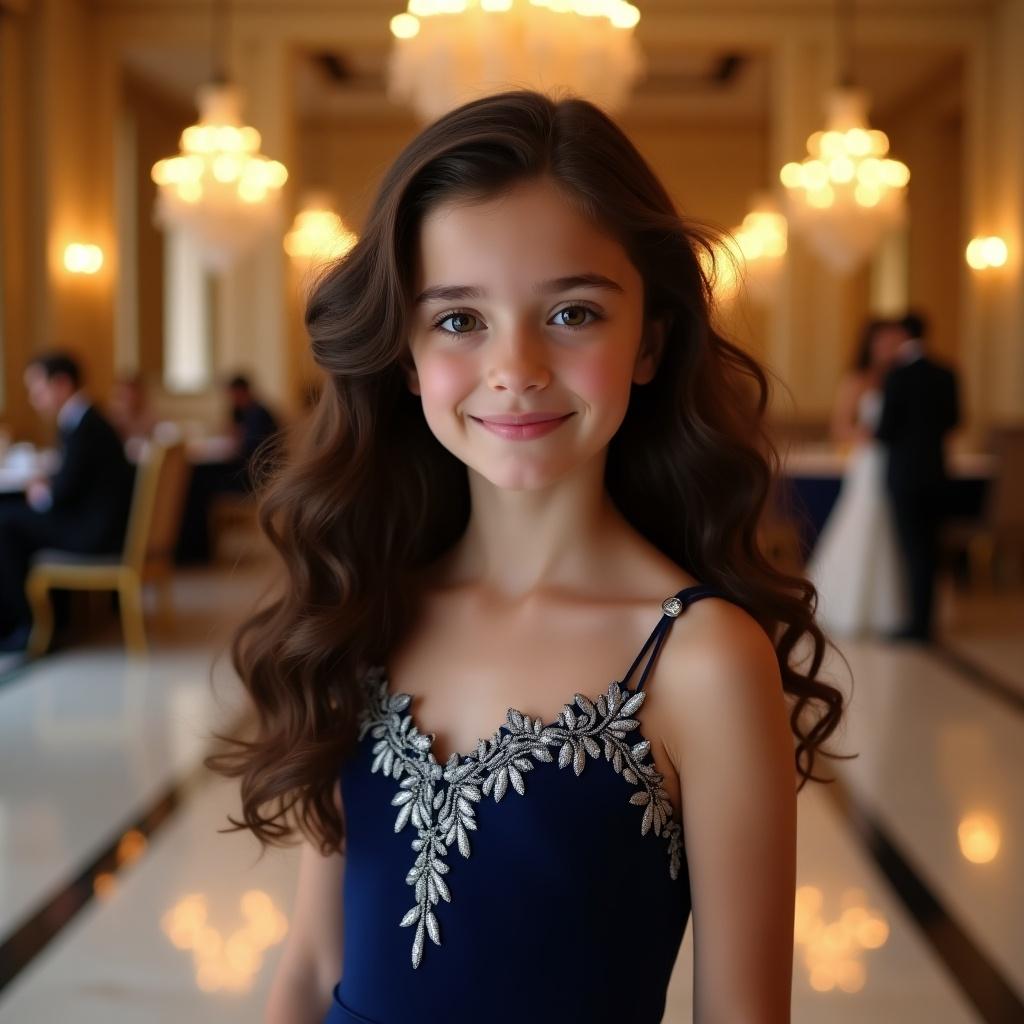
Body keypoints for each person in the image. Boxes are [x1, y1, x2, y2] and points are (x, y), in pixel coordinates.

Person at [207, 90, 848, 1024]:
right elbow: (310, 965)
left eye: (574, 313)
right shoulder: (367, 604)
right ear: (404, 353)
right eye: (460, 320)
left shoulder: (701, 658)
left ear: (649, 342)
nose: (516, 368)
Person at [0, 352, 135, 651]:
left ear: (61, 384)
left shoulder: (85, 425)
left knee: (6, 522)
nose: (34, 399)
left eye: (37, 389)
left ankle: (25, 627)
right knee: (11, 516)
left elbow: (60, 497)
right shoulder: (91, 419)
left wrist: (40, 491)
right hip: (102, 525)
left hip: (96, 535)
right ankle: (49, 620)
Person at [805, 318, 910, 638]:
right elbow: (840, 427)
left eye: (896, 341)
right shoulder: (857, 380)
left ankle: (897, 606)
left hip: (898, 462)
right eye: (885, 341)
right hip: (869, 463)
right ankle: (849, 603)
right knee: (864, 520)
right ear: (871, 344)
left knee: (895, 527)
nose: (890, 348)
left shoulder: (905, 379)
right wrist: (867, 435)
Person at [875, 311, 960, 643]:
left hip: (905, 473)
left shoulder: (898, 375)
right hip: (937, 470)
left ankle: (917, 625)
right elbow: (955, 418)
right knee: (931, 546)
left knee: (911, 546)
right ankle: (927, 619)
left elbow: (885, 429)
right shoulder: (947, 372)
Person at [173, 373, 280, 563]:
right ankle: (194, 548)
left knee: (197, 485)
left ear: (242, 392)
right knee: (196, 480)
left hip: (251, 477)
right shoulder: (241, 411)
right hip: (238, 469)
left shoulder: (259, 413)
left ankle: (196, 551)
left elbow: (249, 450)